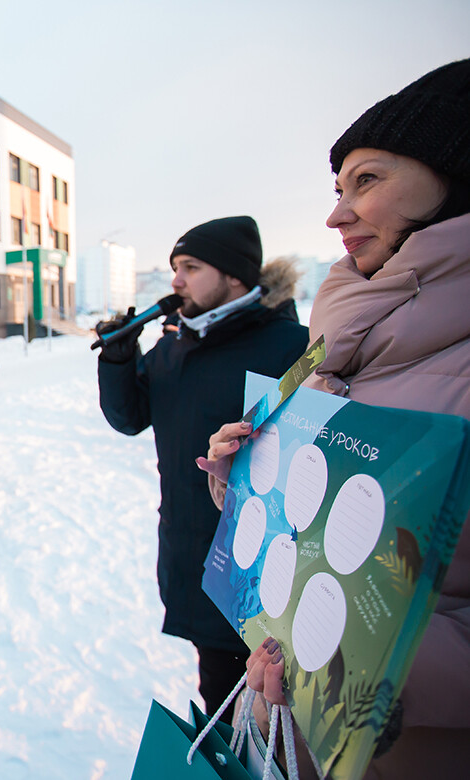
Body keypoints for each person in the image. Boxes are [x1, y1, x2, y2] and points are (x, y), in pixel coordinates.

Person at [203, 59, 470, 779]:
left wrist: (378, 666)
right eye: (338, 189)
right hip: (292, 734)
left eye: (368, 180)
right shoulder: (333, 338)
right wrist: (244, 478)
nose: (337, 215)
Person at [95, 217, 308, 717]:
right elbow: (129, 418)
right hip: (193, 557)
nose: (176, 280)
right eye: (175, 267)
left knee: (278, 722)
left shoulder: (290, 347)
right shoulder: (174, 348)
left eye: (191, 267)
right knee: (220, 704)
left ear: (234, 276)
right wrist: (119, 360)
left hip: (268, 577)